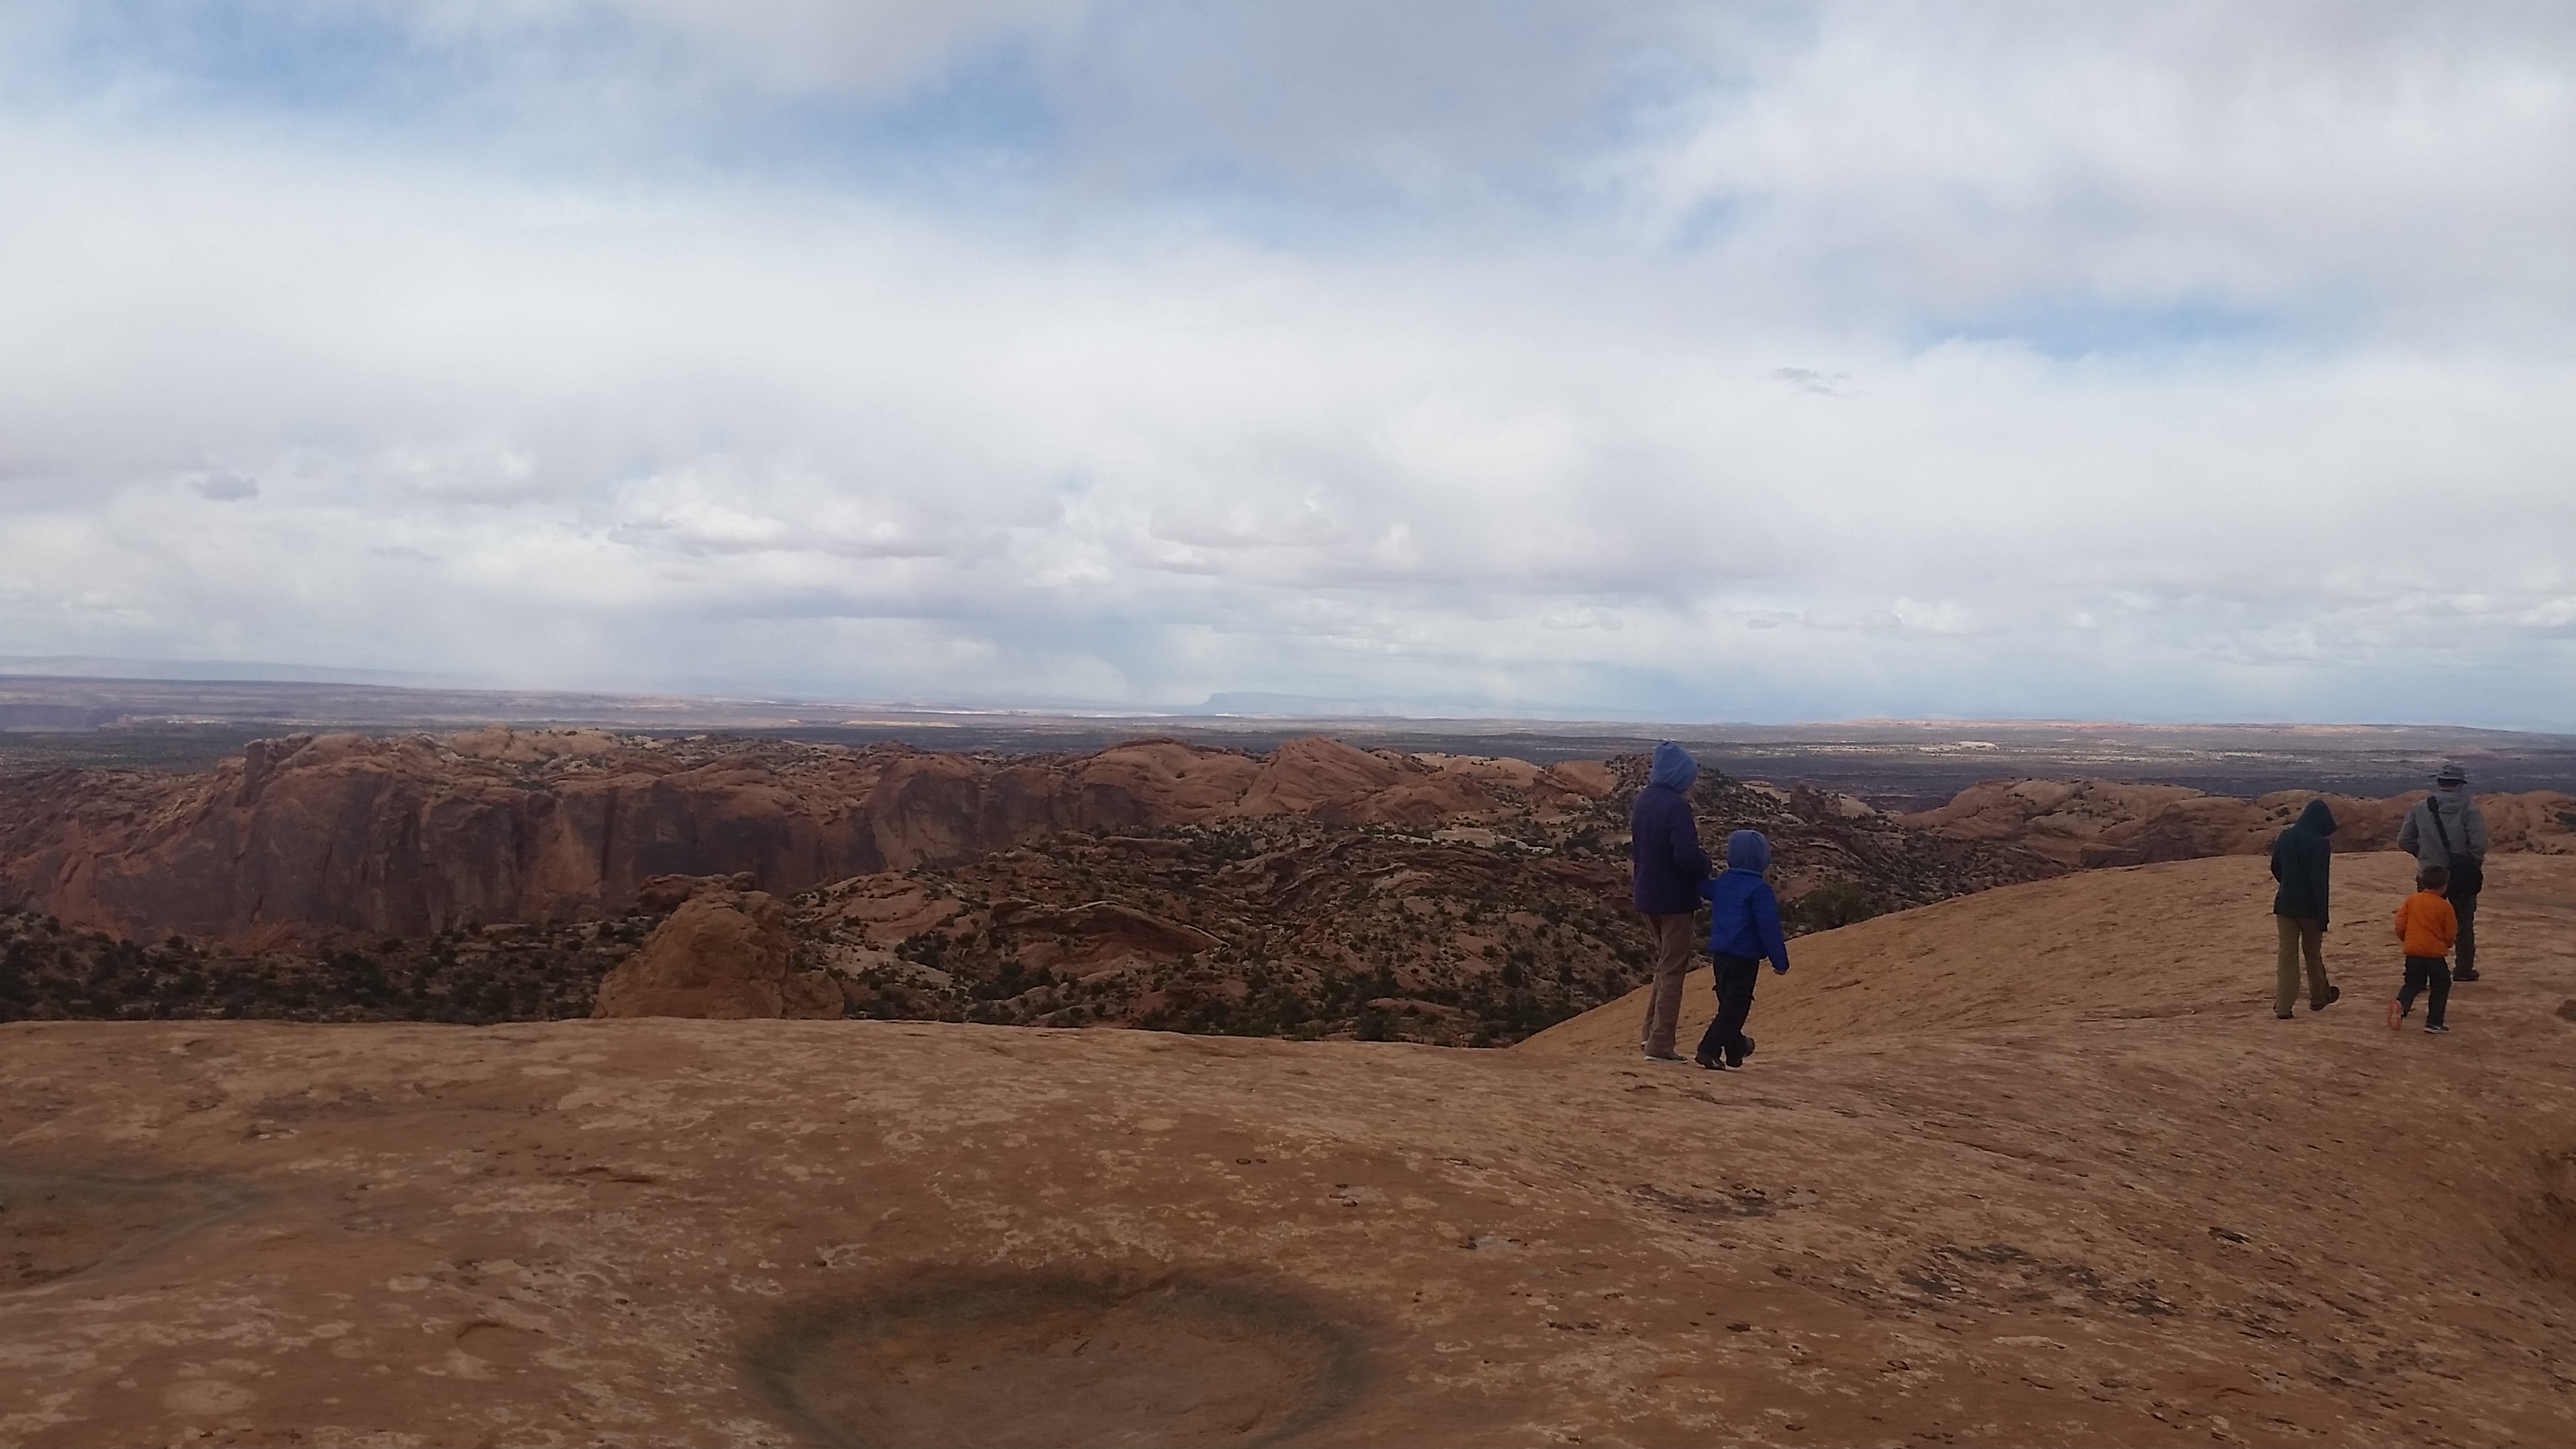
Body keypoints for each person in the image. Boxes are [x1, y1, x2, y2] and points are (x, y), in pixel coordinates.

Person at [1631, 741, 1712, 1062]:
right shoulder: (1675, 806)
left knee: (1665, 966)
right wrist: (1705, 866)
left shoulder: (1644, 800)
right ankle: (1660, 1045)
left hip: (1646, 895)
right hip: (1673, 899)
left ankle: (1649, 1037)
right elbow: (1686, 856)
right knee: (1673, 971)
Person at [1693, 829, 1789, 1071]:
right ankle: (1708, 1049)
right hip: (1744, 959)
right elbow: (1769, 928)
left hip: (1719, 956)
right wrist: (1780, 961)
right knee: (1736, 1007)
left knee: (1728, 1004)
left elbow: (1706, 889)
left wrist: (1693, 869)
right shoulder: (1759, 890)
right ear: (1762, 858)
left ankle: (1736, 1048)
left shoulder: (1724, 881)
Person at [2398, 762, 2488, 982]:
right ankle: (2463, 969)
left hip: (2428, 873)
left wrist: (2425, 855)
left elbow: (2404, 839)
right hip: (2461, 876)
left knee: (2424, 922)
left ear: (2439, 783)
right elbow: (2478, 845)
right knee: (2464, 924)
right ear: (2460, 785)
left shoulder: (2421, 807)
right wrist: (2469, 864)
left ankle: (2419, 973)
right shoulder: (2469, 809)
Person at [2268, 799, 2341, 1019]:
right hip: (2310, 909)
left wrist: (2288, 884)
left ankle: (2283, 1006)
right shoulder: (2319, 843)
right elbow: (2320, 882)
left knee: (2287, 957)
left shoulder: (2286, 836)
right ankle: (2319, 998)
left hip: (2285, 905)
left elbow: (2275, 866)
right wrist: (2323, 915)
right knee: (2312, 954)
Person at [2389, 863, 2459, 1034]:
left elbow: (2400, 924)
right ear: (2444, 886)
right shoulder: (2445, 906)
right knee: (2441, 985)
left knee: (2413, 983)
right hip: (2434, 954)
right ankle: (2434, 1022)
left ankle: (2402, 1004)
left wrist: (2407, 939)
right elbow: (2450, 932)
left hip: (2413, 951)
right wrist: (2447, 944)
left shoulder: (2412, 900)